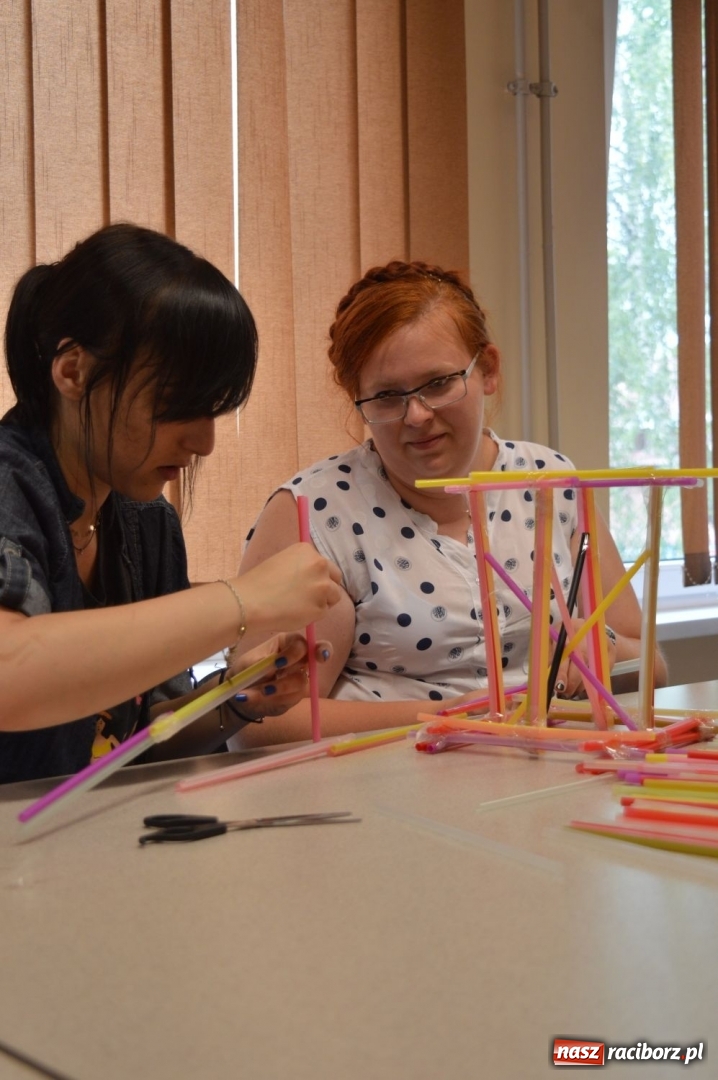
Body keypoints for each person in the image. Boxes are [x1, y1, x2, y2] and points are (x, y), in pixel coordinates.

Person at [235, 259, 667, 746]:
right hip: (386, 788)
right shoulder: (316, 513)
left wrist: (603, 653)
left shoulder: (551, 484)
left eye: (439, 384)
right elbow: (261, 720)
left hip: (550, 774)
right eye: (386, 397)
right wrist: (449, 714)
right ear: (356, 399)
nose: (416, 415)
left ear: (488, 370)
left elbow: (652, 663)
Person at [0, 223, 342, 783]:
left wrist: (232, 700)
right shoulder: (11, 486)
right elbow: (10, 676)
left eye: (212, 408)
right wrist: (243, 601)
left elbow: (138, 743)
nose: (203, 441)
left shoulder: (145, 522)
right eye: (175, 404)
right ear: (72, 371)